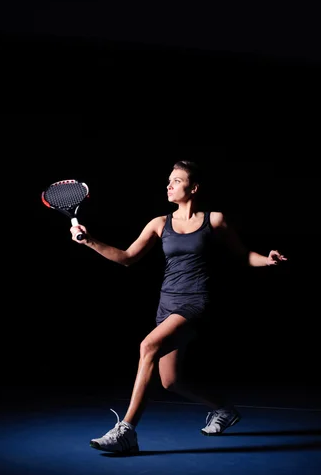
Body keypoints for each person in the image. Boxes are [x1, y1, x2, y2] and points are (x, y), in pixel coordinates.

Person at [70, 160, 287, 453]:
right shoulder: (159, 224)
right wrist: (89, 241)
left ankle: (126, 431)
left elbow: (244, 255)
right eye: (168, 180)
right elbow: (127, 257)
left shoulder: (215, 220)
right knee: (170, 381)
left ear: (193, 187)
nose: (169, 185)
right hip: (167, 305)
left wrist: (267, 259)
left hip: (196, 303)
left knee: (147, 346)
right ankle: (223, 410)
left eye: (176, 180)